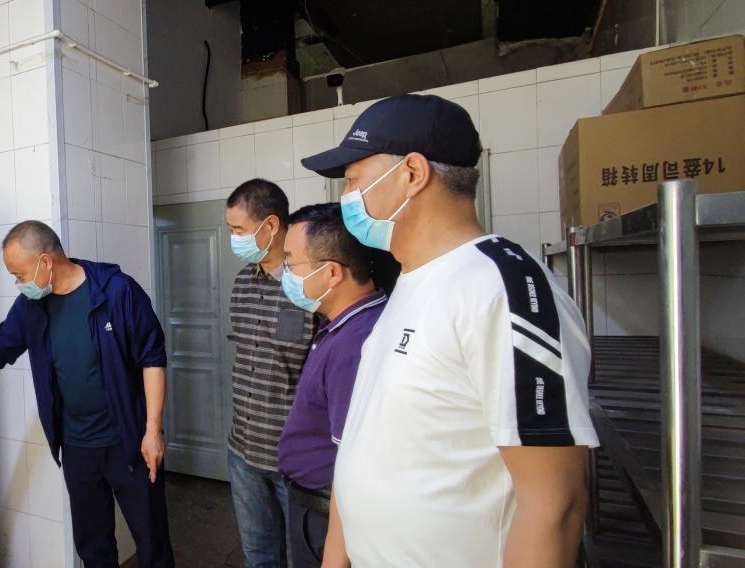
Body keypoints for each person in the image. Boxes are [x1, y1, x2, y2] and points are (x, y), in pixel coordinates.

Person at [300, 94, 599, 568]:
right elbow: (360, 446)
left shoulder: (501, 288)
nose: (347, 197)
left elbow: (555, 507)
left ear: (412, 173)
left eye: (353, 180)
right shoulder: (410, 281)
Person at [0, 220, 174, 568]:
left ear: (45, 261)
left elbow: (152, 358)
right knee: (94, 548)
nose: (18, 283)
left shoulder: (116, 291)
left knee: (152, 541)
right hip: (77, 448)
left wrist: (152, 430)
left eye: (19, 274)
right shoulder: (31, 307)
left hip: (129, 443)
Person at [275, 203, 394, 568]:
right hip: (316, 506)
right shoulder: (342, 323)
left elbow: (354, 463)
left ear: (331, 273)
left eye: (290, 263)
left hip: (329, 517)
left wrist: (334, 556)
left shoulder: (355, 344)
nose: (284, 274)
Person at [224, 179, 317, 568]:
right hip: (242, 450)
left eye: (239, 230)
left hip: (293, 458)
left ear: (271, 225)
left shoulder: (309, 286)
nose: (234, 239)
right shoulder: (242, 283)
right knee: (258, 555)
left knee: (303, 557)